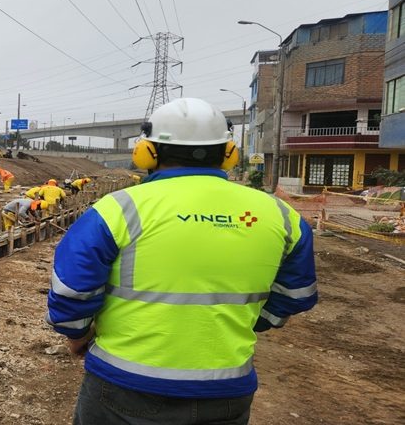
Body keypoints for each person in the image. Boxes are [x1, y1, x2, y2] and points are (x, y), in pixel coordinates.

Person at [46, 98, 318, 425]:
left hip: (124, 385)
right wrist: (240, 324)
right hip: (225, 392)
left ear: (146, 152)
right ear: (230, 153)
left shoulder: (117, 209)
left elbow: (71, 289)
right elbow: (296, 295)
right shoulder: (281, 216)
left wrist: (76, 337)